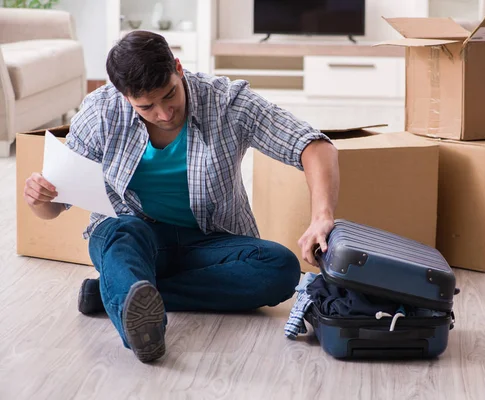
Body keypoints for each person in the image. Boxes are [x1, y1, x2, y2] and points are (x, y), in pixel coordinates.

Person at [22, 31, 339, 363]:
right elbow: (53, 208)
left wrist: (322, 216)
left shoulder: (227, 102)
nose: (163, 113)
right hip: (131, 237)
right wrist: (40, 198)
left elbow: (314, 146)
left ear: (178, 67)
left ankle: (115, 292)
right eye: (146, 106)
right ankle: (142, 322)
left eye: (169, 94)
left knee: (280, 268)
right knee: (120, 231)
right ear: (124, 96)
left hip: (209, 242)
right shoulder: (100, 111)